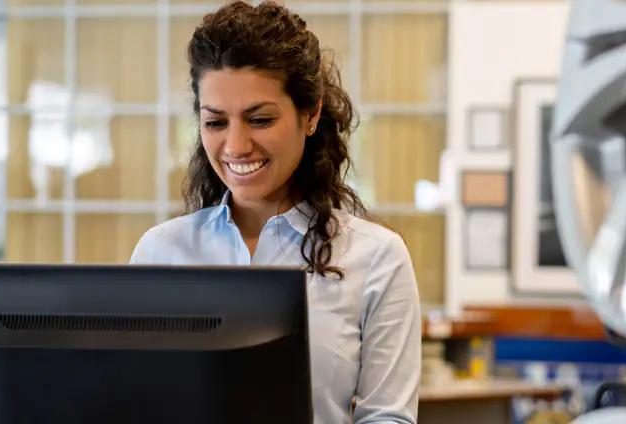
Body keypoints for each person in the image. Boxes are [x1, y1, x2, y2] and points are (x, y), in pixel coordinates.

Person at [129, 2, 420, 422]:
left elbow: (387, 417)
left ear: (311, 114)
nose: (236, 146)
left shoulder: (376, 258)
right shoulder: (160, 251)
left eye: (260, 119)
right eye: (215, 123)